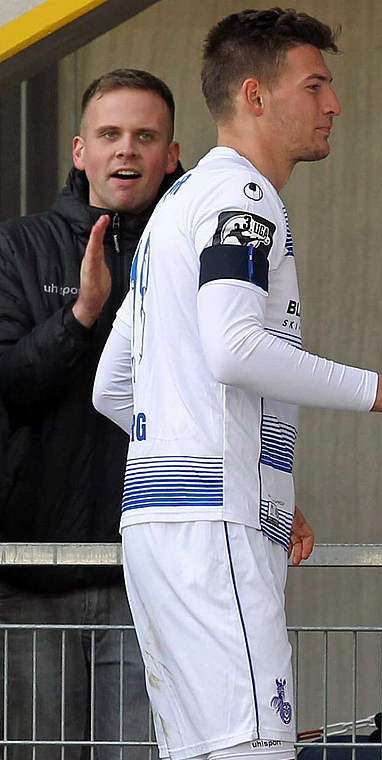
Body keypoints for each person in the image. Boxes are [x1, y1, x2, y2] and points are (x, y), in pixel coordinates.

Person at [90, 10, 382, 760]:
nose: (334, 105)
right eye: (316, 85)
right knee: (255, 747)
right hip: (211, 532)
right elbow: (234, 349)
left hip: (160, 526)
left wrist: (260, 481)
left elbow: (111, 386)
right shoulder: (243, 197)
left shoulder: (177, 203)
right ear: (256, 96)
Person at [0, 68, 182, 760]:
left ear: (170, 154)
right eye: (110, 135)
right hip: (33, 574)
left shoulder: (196, 251)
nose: (126, 151)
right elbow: (10, 383)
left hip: (148, 581)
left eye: (145, 136)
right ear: (81, 150)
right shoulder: (18, 248)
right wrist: (80, 314)